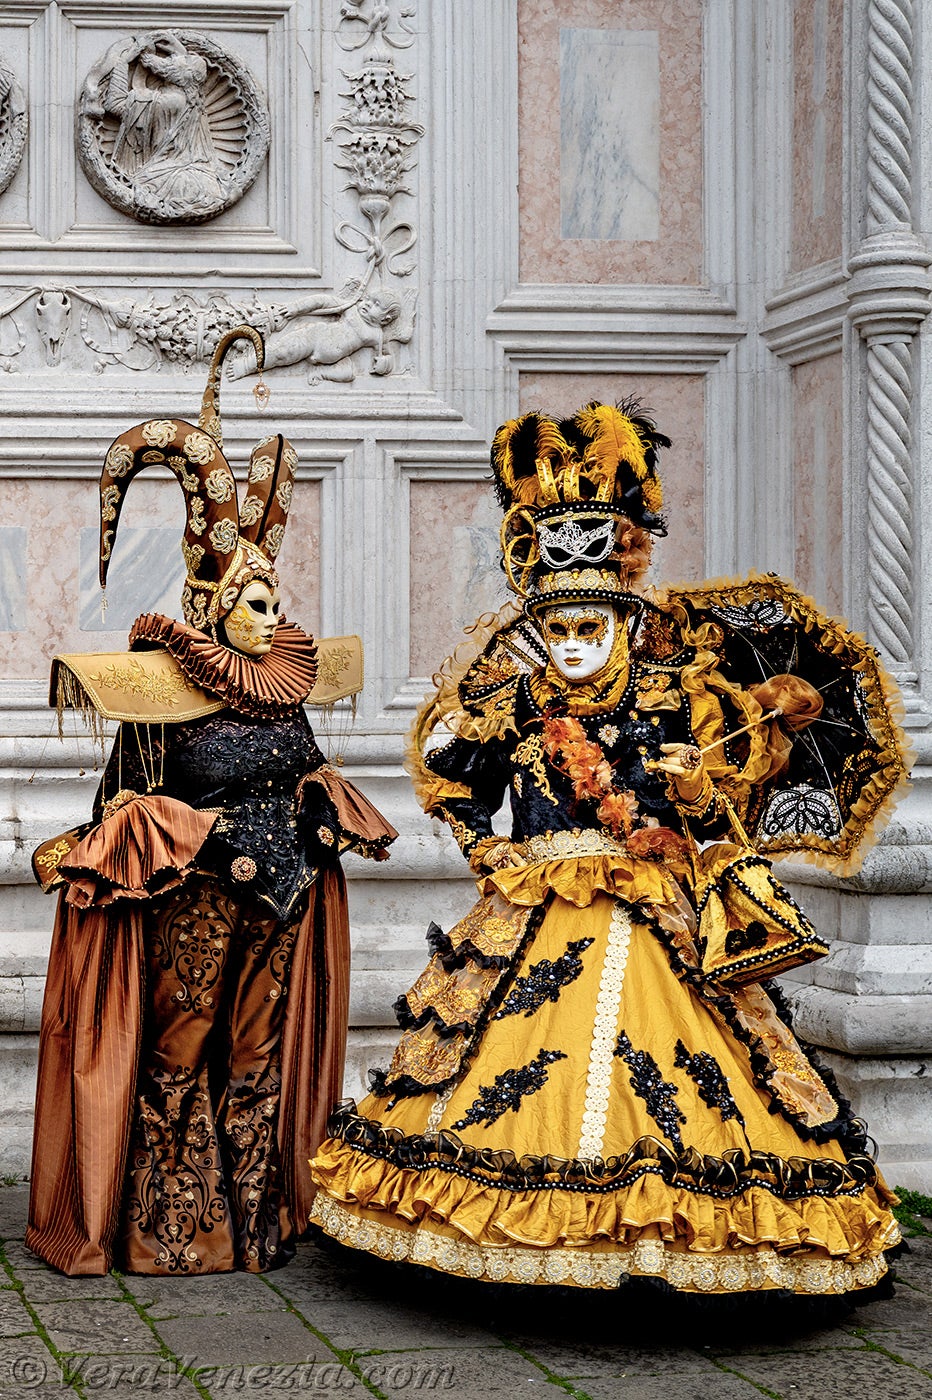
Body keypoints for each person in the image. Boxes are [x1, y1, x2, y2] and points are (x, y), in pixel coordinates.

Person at [309, 400, 907, 1298]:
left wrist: (695, 787)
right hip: (532, 906)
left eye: (590, 628)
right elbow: (459, 787)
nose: (574, 646)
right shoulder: (510, 702)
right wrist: (483, 847)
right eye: (558, 630)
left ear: (623, 623)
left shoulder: (677, 700)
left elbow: (722, 817)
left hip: (653, 902)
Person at [26, 327, 395, 1276]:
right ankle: (174, 1233)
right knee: (180, 1051)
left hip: (283, 902)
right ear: (214, 605)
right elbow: (126, 806)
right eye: (254, 603)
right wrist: (176, 841)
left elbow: (304, 772)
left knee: (256, 1053)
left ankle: (257, 1221)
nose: (273, 617)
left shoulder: (284, 689)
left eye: (273, 600)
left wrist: (320, 813)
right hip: (199, 905)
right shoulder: (160, 695)